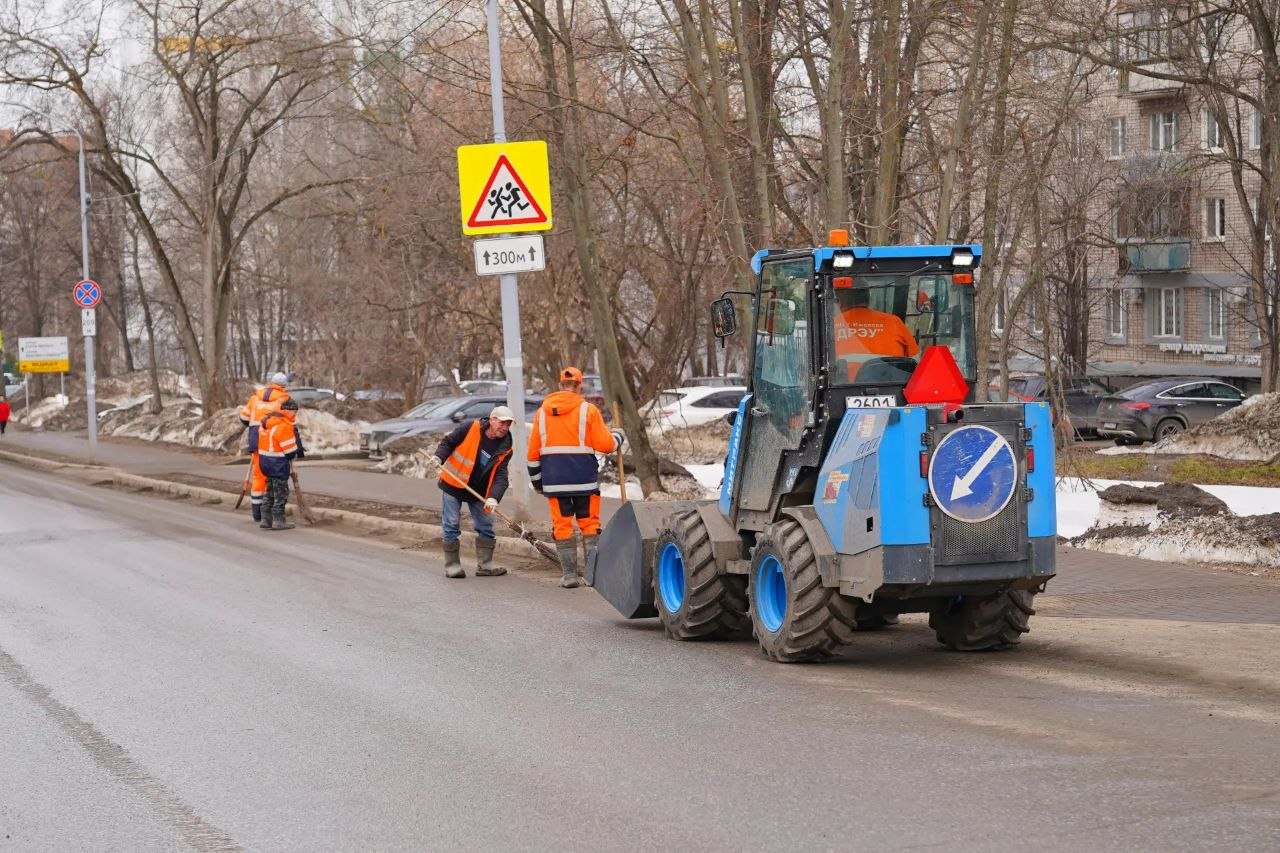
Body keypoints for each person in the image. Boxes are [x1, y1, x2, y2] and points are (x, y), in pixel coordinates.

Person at [528, 367, 624, 589]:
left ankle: (569, 576)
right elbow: (606, 445)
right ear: (579, 386)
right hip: (584, 481)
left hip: (554, 482)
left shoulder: (542, 413)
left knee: (562, 526)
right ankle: (592, 576)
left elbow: (533, 454)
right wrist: (618, 435)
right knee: (589, 525)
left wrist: (538, 483)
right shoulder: (587, 410)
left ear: (560, 385)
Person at [423, 405, 516, 579]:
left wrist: (494, 498)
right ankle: (452, 566)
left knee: (486, 526)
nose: (504, 427)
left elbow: (501, 476)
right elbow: (448, 443)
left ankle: (485, 566)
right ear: (492, 419)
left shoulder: (506, 447)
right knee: (451, 524)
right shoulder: (470, 428)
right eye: (502, 423)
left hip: (479, 491)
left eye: (508, 424)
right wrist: (438, 457)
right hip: (453, 483)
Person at [238, 372, 291, 523]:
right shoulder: (285, 399)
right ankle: (274, 512)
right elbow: (290, 423)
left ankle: (258, 513)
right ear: (284, 386)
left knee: (259, 476)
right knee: (276, 476)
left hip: (256, 441)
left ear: (270, 383)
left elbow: (243, 418)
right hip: (275, 443)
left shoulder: (255, 398)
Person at [834, 289, 919, 381]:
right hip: (892, 387)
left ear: (840, 302)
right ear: (868, 299)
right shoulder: (894, 322)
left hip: (843, 390)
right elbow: (916, 361)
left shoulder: (831, 325)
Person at [257, 398, 305, 530]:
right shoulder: (284, 425)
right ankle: (279, 521)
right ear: (286, 410)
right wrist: (295, 452)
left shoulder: (267, 424)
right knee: (281, 493)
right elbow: (289, 451)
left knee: (270, 491)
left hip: (265, 462)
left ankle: (266, 519)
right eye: (294, 412)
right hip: (278, 464)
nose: (295, 415)